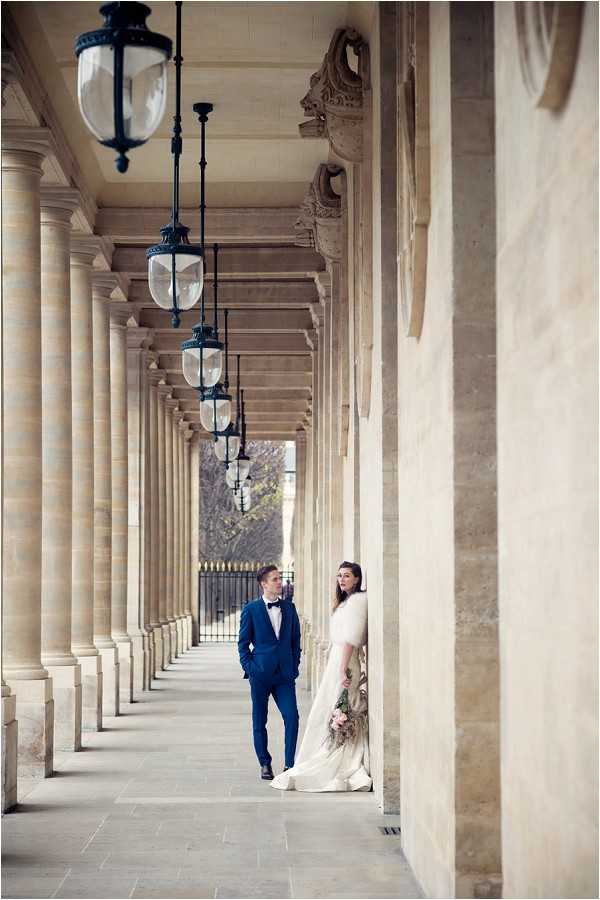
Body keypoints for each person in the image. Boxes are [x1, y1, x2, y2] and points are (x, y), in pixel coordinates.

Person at [271, 561, 371, 793]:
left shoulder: (357, 602)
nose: (342, 579)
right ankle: (334, 746)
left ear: (357, 579)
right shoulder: (346, 602)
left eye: (347, 576)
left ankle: (342, 753)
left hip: (344, 662)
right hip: (339, 659)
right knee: (331, 706)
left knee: (341, 704)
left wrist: (343, 668)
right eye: (339, 576)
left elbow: (350, 639)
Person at [238, 564, 302, 781]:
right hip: (260, 674)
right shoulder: (251, 609)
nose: (279, 582)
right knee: (259, 720)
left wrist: (294, 667)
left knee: (292, 717)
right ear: (263, 584)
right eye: (274, 579)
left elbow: (295, 641)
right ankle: (265, 763)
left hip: (284, 675)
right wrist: (250, 668)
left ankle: (290, 765)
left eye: (279, 578)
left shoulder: (290, 608)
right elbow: (243, 644)